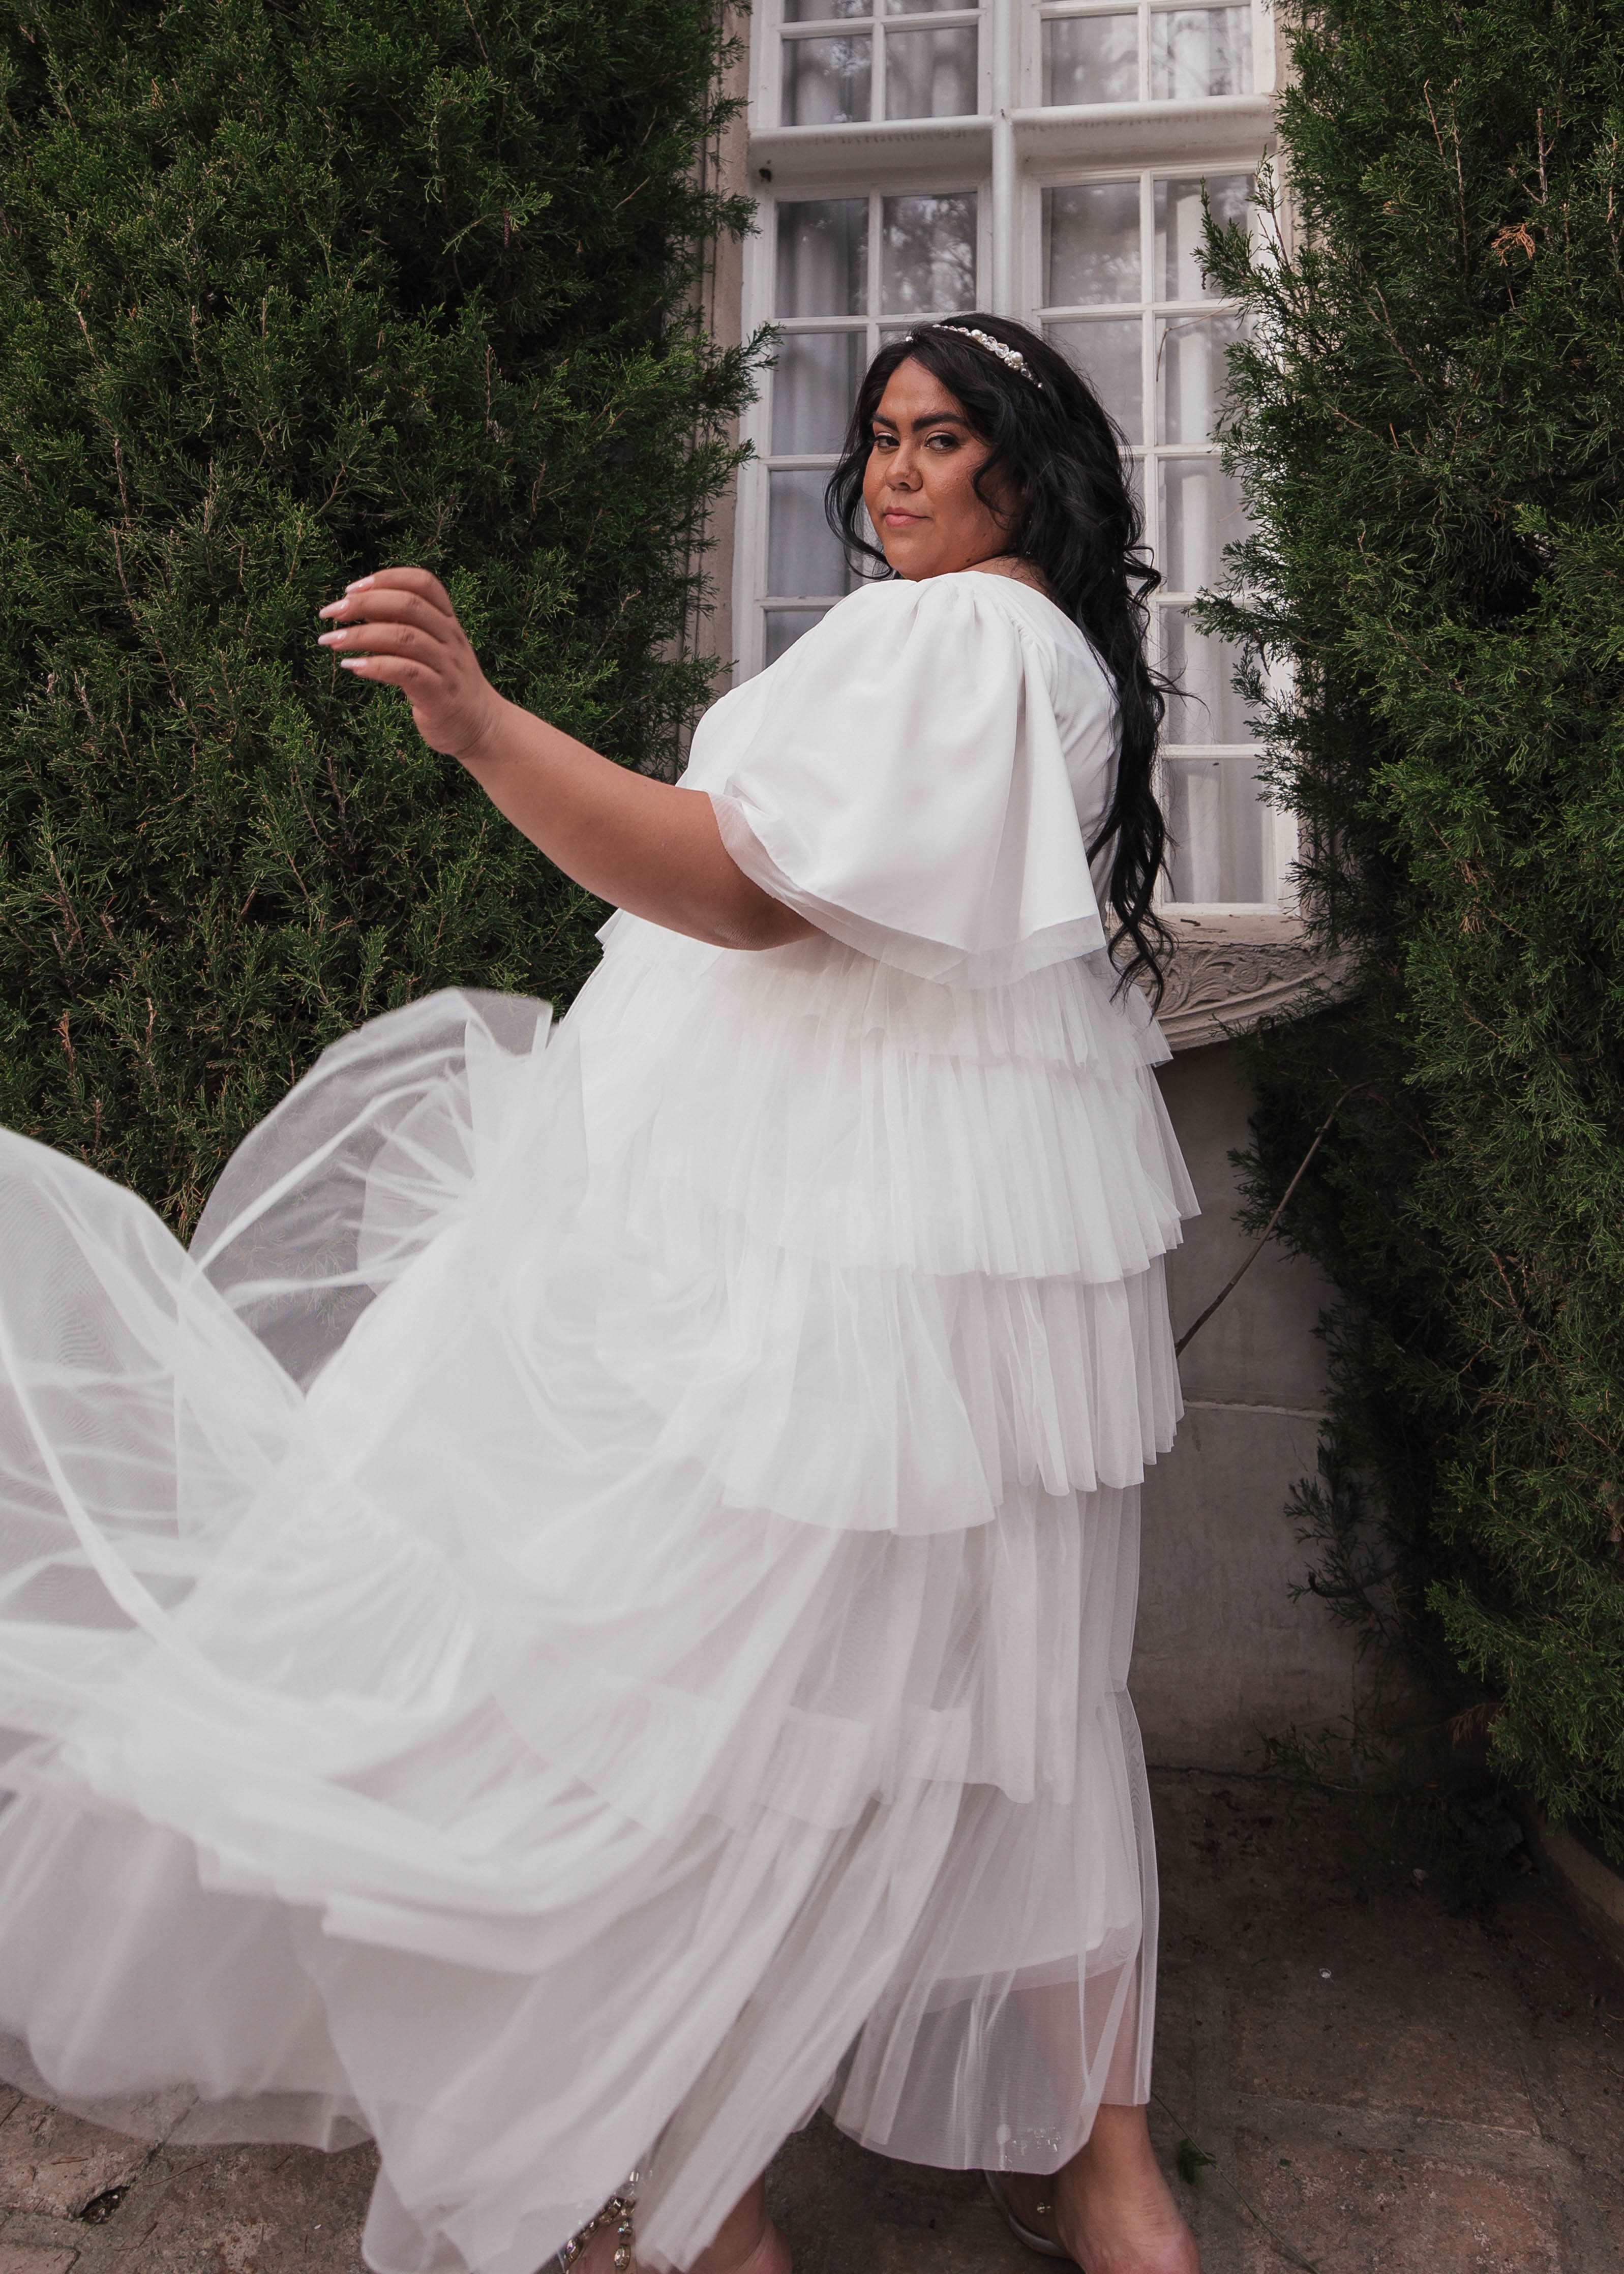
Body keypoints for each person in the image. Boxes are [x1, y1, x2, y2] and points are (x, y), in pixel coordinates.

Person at [0, 315, 1200, 2274]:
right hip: (963, 1204)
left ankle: (699, 2192)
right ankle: (1100, 2180)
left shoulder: (944, 639)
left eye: (941, 438)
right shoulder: (1046, 659)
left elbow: (736, 891)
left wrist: (483, 724)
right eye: (878, 437)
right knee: (1008, 1685)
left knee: (673, 1683)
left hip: (817, 1217)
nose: (893, 472)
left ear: (1030, 470)